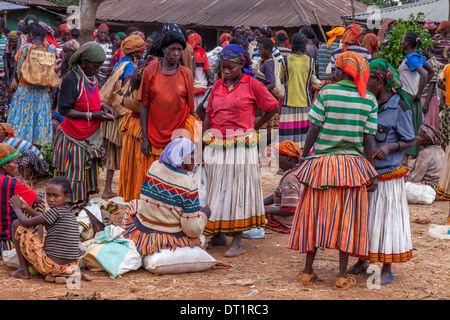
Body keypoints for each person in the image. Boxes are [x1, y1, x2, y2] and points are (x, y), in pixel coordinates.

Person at [288, 51, 378, 290]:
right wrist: (372, 170)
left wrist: (304, 155)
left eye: (335, 69)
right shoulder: (368, 98)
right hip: (353, 169)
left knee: (313, 217)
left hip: (321, 167)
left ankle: (307, 272)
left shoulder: (327, 92)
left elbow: (314, 128)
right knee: (347, 221)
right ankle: (341, 275)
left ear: (341, 71)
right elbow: (369, 139)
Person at [202, 44, 278, 257]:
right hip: (217, 144)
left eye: (231, 67)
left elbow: (273, 107)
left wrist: (254, 126)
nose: (226, 72)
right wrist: (204, 138)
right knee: (216, 189)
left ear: (242, 65)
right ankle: (218, 233)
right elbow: (208, 113)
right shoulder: (217, 85)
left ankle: (237, 240)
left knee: (238, 191)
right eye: (223, 67)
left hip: (241, 146)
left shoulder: (252, 85)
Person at [348, 58, 416, 285]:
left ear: (379, 81)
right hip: (367, 171)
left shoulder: (400, 106)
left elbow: (410, 139)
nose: (363, 84)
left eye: (367, 80)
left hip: (387, 174)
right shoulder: (367, 102)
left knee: (386, 221)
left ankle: (386, 268)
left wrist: (390, 146)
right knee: (365, 220)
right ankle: (362, 260)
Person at [52, 41, 117, 205]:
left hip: (90, 136)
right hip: (74, 138)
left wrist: (103, 107)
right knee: (74, 177)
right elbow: (64, 110)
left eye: (100, 66)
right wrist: (92, 115)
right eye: (95, 66)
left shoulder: (91, 77)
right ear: (84, 62)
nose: (98, 69)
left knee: (85, 178)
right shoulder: (71, 79)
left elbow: (89, 101)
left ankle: (82, 208)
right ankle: (70, 210)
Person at [122, 138, 210, 257]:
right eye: (192, 154)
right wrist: (204, 215)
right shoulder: (189, 184)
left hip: (142, 233)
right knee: (199, 236)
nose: (195, 158)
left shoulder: (154, 167)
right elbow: (192, 230)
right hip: (169, 239)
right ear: (183, 158)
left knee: (135, 204)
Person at [137, 31, 196, 202]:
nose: (176, 53)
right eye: (172, 49)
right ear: (164, 50)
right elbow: (144, 106)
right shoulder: (150, 72)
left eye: (179, 50)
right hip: (154, 133)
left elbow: (190, 108)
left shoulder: (186, 74)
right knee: (154, 177)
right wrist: (145, 138)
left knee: (177, 179)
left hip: (178, 134)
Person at [9, 176, 82, 280]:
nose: (51, 199)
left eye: (56, 196)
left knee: (16, 224)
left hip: (50, 265)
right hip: (70, 266)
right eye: (48, 195)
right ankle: (56, 273)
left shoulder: (56, 211)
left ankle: (23, 270)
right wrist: (26, 207)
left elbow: (25, 222)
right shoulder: (67, 210)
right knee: (39, 225)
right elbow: (41, 220)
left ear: (67, 197)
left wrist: (16, 208)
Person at [101, 35, 146, 200]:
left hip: (112, 113)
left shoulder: (120, 63)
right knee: (128, 152)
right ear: (135, 53)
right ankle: (127, 188)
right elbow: (129, 92)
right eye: (141, 51)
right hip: (122, 114)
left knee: (112, 153)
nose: (143, 54)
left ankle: (107, 188)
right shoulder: (130, 67)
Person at [7, 22, 54, 148]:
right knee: (38, 128)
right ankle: (34, 158)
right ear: (44, 37)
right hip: (41, 94)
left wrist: (14, 85)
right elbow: (51, 74)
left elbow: (17, 71)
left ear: (31, 36)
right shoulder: (49, 51)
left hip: (24, 91)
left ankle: (19, 157)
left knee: (21, 124)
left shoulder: (24, 49)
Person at [0, 143, 44, 256]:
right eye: (15, 162)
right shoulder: (11, 184)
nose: (18, 165)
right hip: (6, 238)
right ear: (5, 165)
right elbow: (37, 199)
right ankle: (38, 241)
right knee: (40, 200)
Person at [398, 32, 434, 159]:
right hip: (413, 97)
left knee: (407, 128)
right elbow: (431, 71)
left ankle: (405, 161)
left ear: (407, 43)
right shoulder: (418, 56)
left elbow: (425, 74)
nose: (401, 43)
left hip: (409, 97)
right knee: (413, 126)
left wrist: (419, 92)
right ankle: (411, 160)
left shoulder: (411, 58)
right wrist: (419, 89)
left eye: (403, 40)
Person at [278, 32, 315, 149]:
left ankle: (288, 160)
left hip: (289, 103)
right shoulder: (310, 61)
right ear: (304, 45)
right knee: (304, 137)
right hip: (305, 102)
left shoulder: (285, 60)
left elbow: (282, 80)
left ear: (292, 44)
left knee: (288, 138)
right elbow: (311, 79)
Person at [264, 141, 304, 234]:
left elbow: (289, 209)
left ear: (288, 157)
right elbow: (279, 194)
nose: (276, 161)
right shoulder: (299, 171)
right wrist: (259, 204)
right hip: (301, 217)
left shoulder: (290, 178)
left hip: (290, 221)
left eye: (278, 157)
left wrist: (260, 210)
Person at [255, 37, 280, 141]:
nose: (259, 52)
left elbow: (272, 83)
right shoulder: (268, 62)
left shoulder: (268, 64)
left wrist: (261, 91)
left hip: (265, 98)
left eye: (261, 49)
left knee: (263, 126)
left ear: (268, 50)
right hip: (266, 97)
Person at [187, 32, 212, 108]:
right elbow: (208, 73)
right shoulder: (201, 53)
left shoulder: (186, 53)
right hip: (201, 87)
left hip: (190, 87)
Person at [421, 48, 444, 130]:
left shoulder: (433, 63)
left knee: (426, 126)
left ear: (426, 49)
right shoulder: (427, 61)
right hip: (425, 96)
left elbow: (432, 84)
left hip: (427, 97)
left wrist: (427, 103)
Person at [94, 24, 114, 88]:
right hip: (95, 75)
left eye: (104, 33)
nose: (102, 35)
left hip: (107, 76)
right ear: (98, 33)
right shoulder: (93, 45)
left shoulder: (111, 46)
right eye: (101, 32)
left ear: (107, 34)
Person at [438, 62, 450, 149]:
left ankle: (443, 155)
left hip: (448, 104)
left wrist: (447, 89)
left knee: (445, 132)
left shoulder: (447, 67)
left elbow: (439, 84)